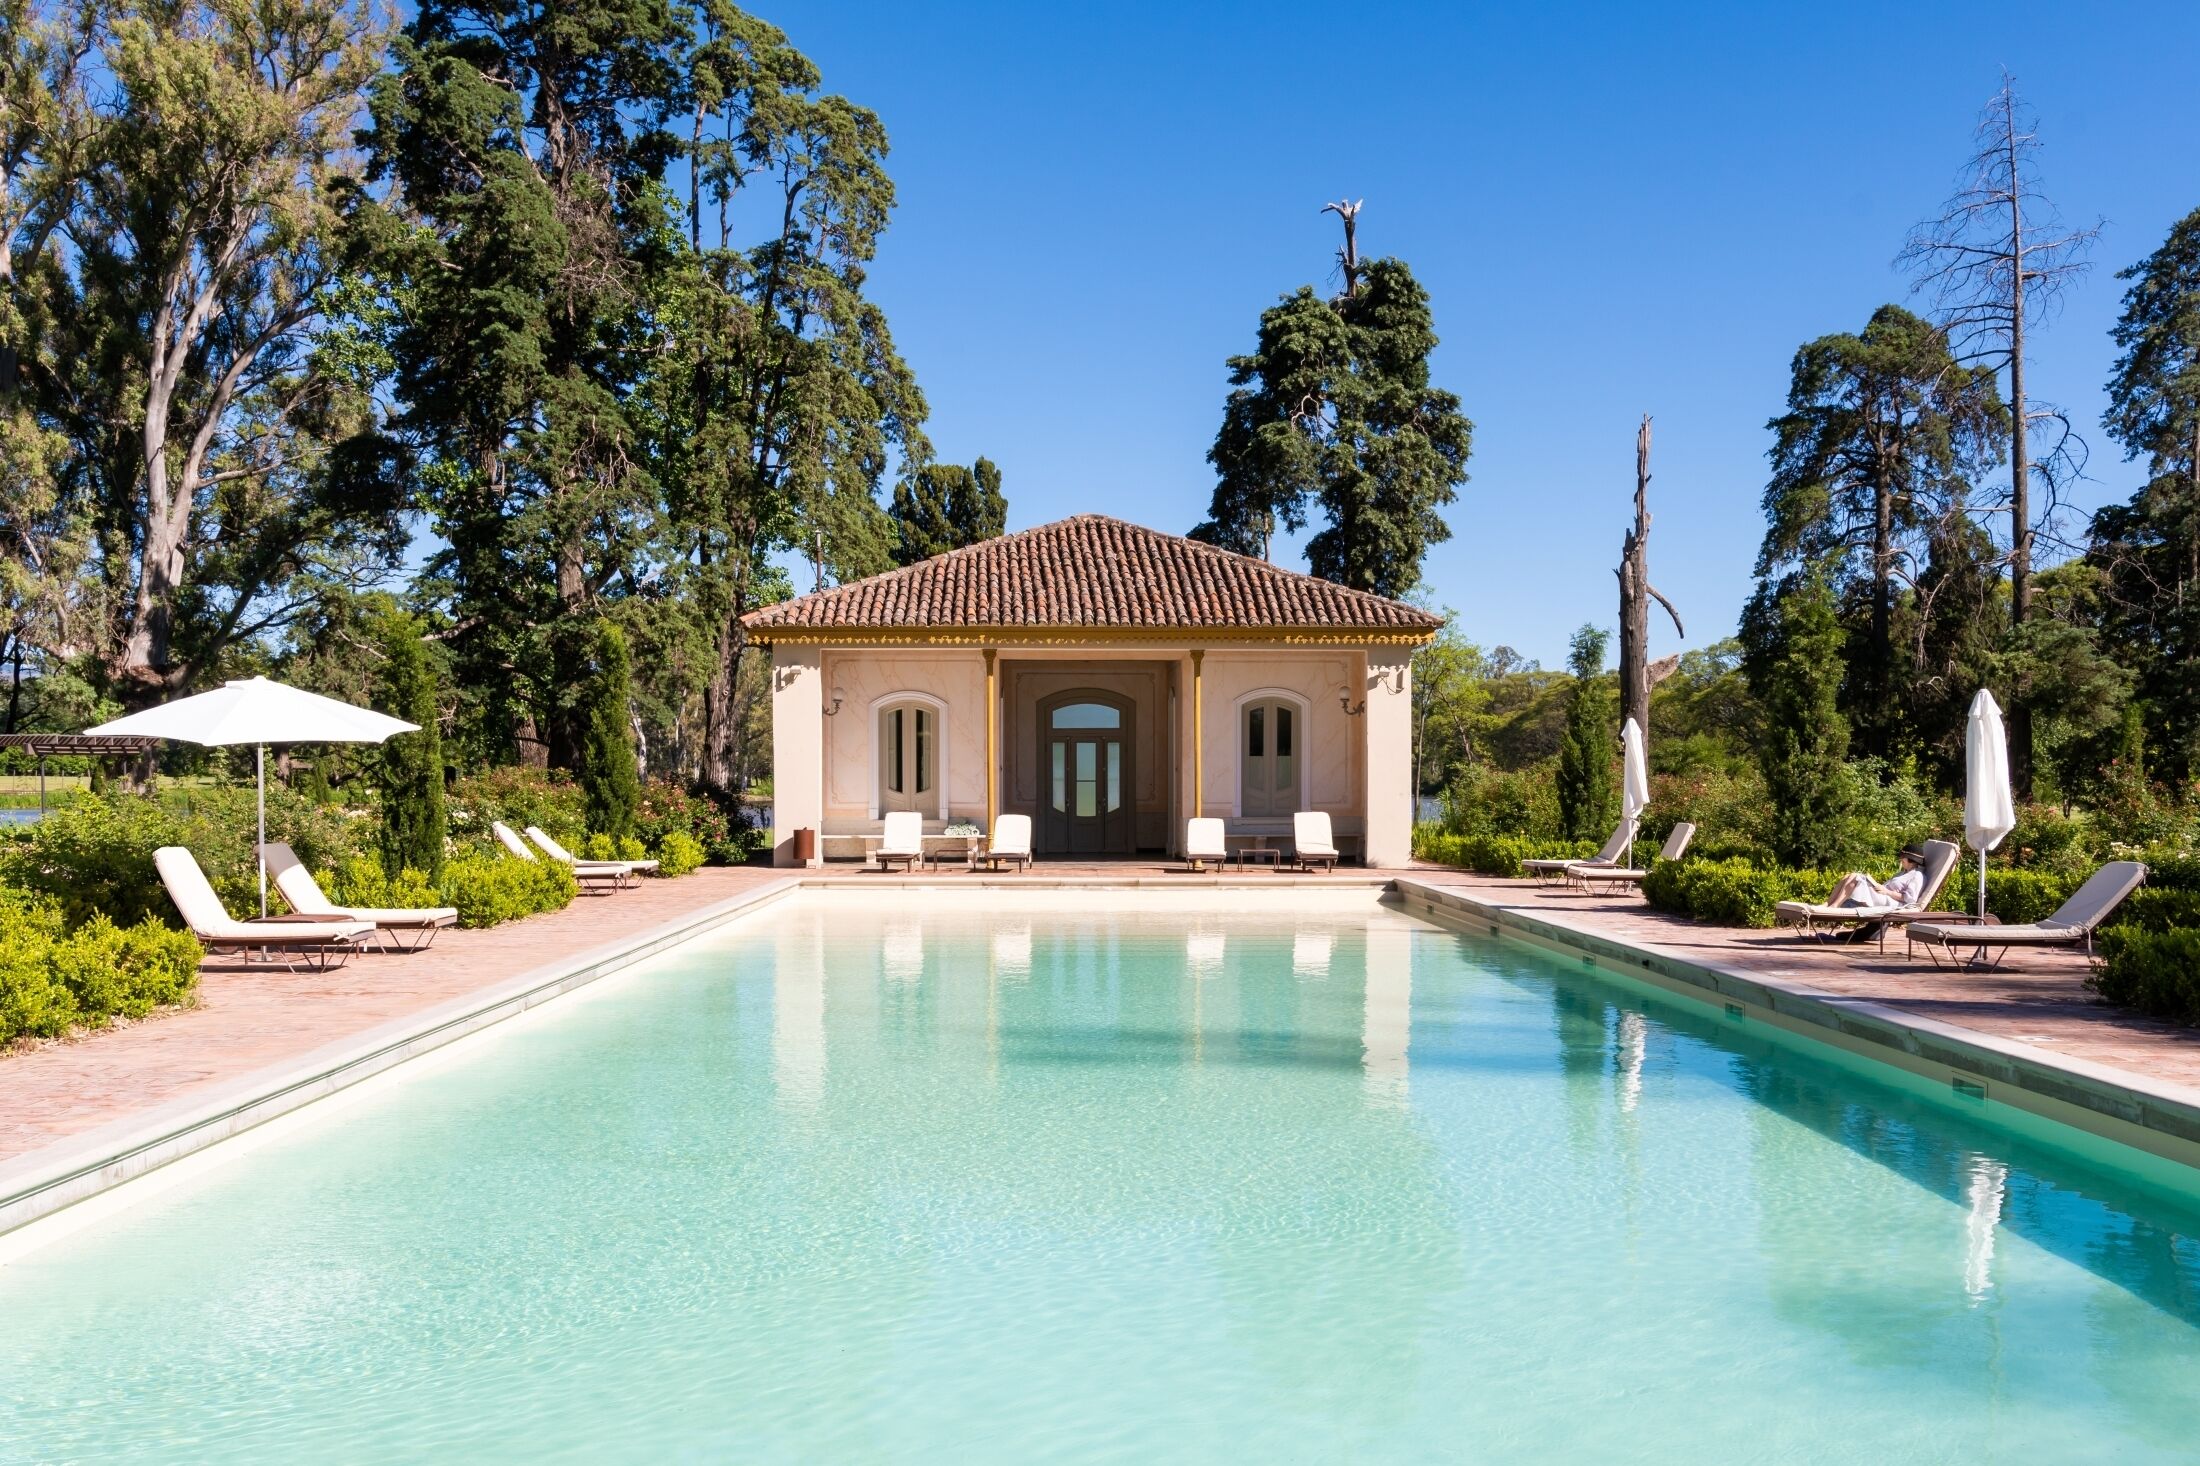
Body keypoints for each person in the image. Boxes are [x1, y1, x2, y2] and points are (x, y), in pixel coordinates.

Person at [1824, 845, 1927, 911]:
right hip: (1883, 896)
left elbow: (1910, 900)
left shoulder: (1917, 876)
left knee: (1856, 877)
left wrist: (1887, 891)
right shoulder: (1902, 873)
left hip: (1893, 903)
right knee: (1848, 876)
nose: (1900, 859)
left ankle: (1834, 907)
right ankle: (1827, 904)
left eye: (1903, 857)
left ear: (1911, 860)